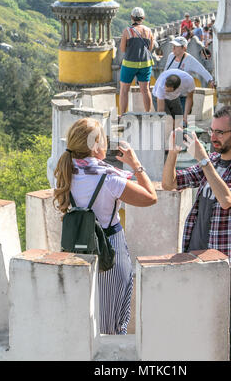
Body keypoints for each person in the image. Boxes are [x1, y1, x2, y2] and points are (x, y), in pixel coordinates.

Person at [162, 106, 231, 361]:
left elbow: (227, 199)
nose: (213, 137)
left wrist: (203, 160)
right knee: (193, 325)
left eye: (220, 132)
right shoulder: (213, 162)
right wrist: (173, 152)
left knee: (223, 335)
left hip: (222, 265)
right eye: (211, 131)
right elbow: (170, 184)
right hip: (194, 258)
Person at [54, 118, 157, 335]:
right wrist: (136, 164)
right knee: (110, 327)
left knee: (83, 322)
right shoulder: (110, 178)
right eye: (103, 139)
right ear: (95, 146)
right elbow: (150, 197)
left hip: (77, 251)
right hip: (110, 252)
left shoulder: (65, 172)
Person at [119, 7, 154, 116]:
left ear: (131, 17)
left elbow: (122, 49)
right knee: (145, 90)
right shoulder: (148, 31)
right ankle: (148, 113)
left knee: (124, 90)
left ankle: (123, 115)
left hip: (129, 63)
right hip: (146, 63)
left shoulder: (127, 31)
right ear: (143, 18)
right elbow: (150, 47)